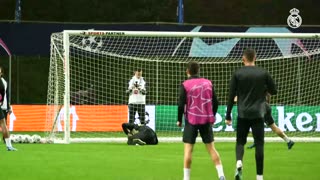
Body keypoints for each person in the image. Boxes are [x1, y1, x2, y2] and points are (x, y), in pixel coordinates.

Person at [225, 48, 277, 180]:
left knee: (240, 142)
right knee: (259, 144)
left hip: (242, 114)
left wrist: (228, 114)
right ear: (255, 58)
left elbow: (231, 95)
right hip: (258, 114)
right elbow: (274, 90)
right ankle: (259, 177)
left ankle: (238, 162)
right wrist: (263, 89)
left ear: (243, 59)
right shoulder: (263, 73)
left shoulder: (237, 73)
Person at [177, 61, 225, 180]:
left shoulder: (185, 84)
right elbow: (216, 102)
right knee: (211, 149)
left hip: (191, 120)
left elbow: (180, 104)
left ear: (187, 71)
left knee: (188, 150)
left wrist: (179, 119)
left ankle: (186, 178)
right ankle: (221, 175)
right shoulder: (208, 83)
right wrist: (212, 116)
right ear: (198, 71)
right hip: (206, 120)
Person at [0, 66, 17, 151]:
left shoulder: (3, 83)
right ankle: (9, 146)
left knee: (3, 124)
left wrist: (7, 106)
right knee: (3, 124)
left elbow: (4, 95)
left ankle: (9, 145)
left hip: (1, 106)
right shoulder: (2, 83)